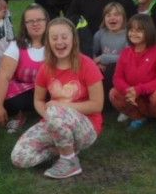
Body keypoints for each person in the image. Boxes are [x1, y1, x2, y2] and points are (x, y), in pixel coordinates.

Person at [11, 18, 104, 179]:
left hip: (86, 128)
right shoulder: (46, 68)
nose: (59, 42)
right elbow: (38, 100)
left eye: (64, 37)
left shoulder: (87, 65)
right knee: (19, 158)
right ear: (48, 41)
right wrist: (50, 118)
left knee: (54, 109)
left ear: (73, 39)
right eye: (54, 38)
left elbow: (97, 105)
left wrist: (58, 108)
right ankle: (62, 150)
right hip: (55, 121)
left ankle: (69, 162)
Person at [110, 14, 156, 131]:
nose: (133, 33)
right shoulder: (125, 52)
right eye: (131, 30)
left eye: (138, 30)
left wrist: (138, 90)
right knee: (114, 93)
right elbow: (117, 78)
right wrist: (129, 91)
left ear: (148, 31)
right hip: (137, 99)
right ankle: (138, 118)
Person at [0, 4, 49, 133]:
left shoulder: (55, 43)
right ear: (25, 25)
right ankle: (26, 112)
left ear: (47, 21)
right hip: (25, 90)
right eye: (30, 21)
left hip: (49, 89)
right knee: (11, 101)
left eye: (39, 20)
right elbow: (3, 76)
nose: (35, 24)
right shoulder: (16, 45)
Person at [92, 2, 128, 103]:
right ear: (104, 19)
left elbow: (126, 57)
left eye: (116, 15)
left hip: (121, 71)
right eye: (108, 15)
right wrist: (97, 64)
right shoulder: (100, 34)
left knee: (112, 68)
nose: (112, 18)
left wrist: (103, 58)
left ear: (123, 17)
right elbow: (91, 52)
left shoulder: (128, 35)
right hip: (102, 70)